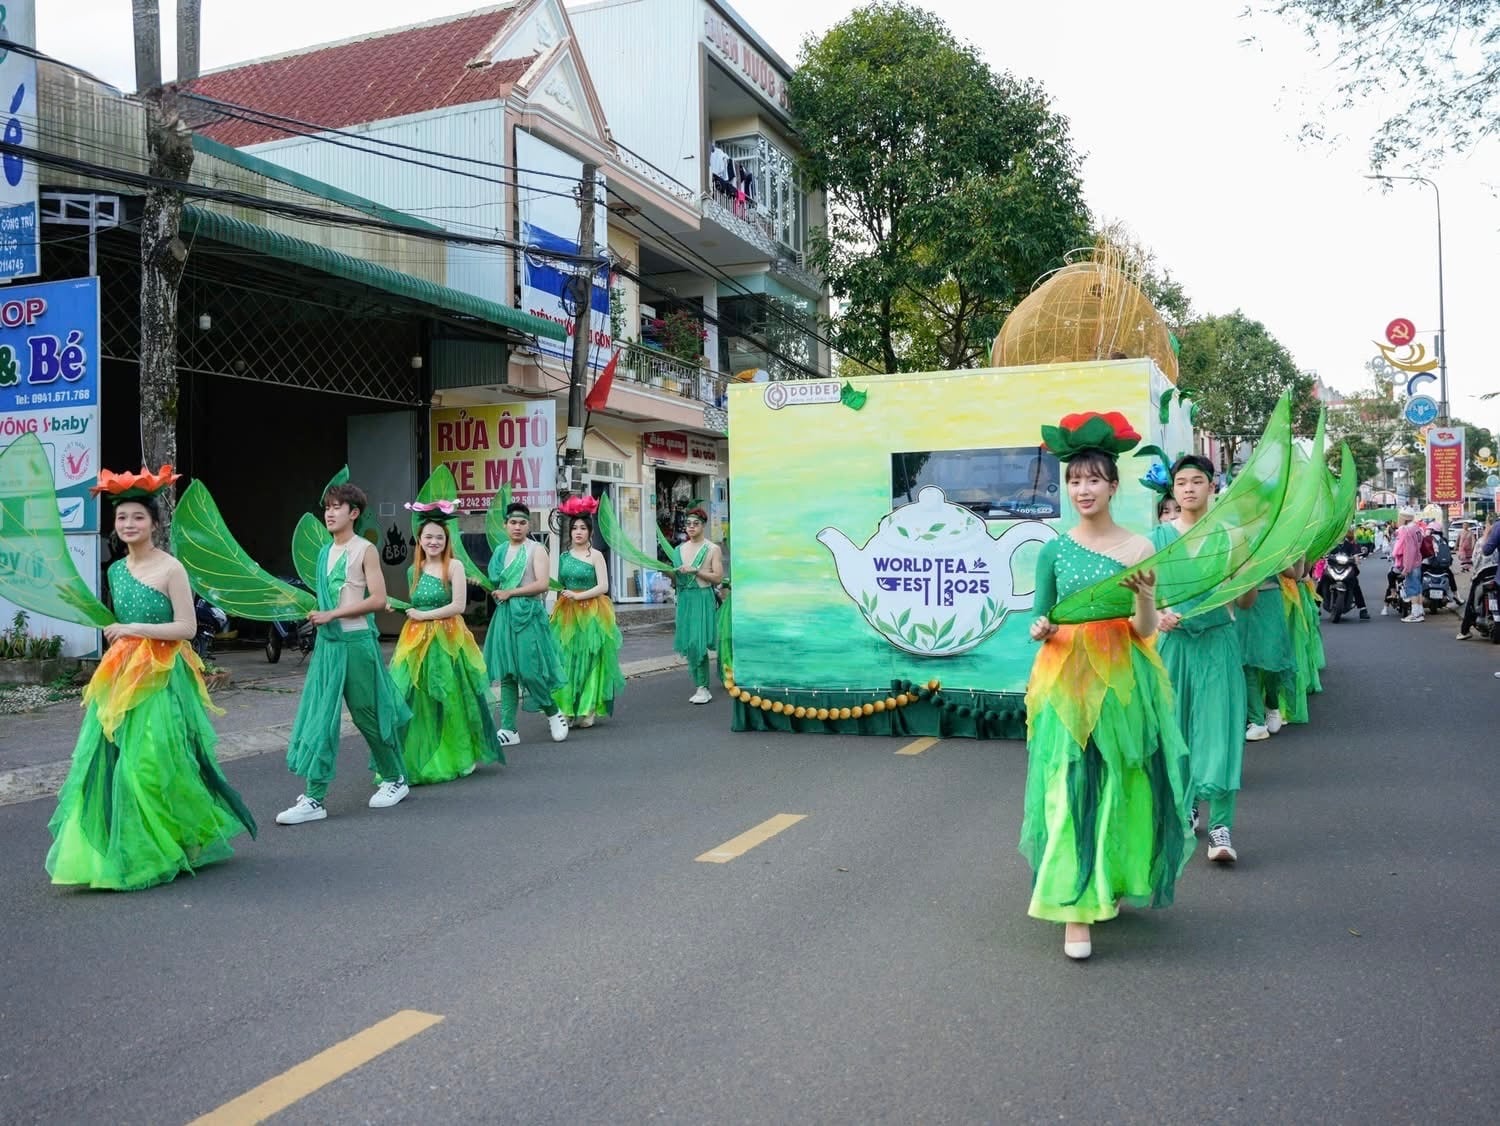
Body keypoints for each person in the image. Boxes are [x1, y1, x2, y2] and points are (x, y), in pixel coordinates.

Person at [1022, 411, 1191, 960]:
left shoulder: (1140, 547)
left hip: (1123, 681)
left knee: (1122, 780)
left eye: (1093, 479)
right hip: (1065, 677)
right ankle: (1075, 906)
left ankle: (1108, 876)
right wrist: (1041, 628)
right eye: (1074, 480)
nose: (1083, 489)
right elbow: (1041, 615)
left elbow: (1146, 631)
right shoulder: (1053, 549)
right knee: (1069, 786)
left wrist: (1145, 597)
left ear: (1114, 486)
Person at [47, 466, 257, 888]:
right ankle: (132, 848)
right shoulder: (114, 572)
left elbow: (187, 629)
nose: (128, 525)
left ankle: (174, 839)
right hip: (122, 675)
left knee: (153, 764)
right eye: (122, 518)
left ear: (155, 524)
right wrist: (123, 640)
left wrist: (132, 631)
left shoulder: (171, 569)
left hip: (163, 675)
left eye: (138, 518)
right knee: (108, 764)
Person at [278, 482, 412, 824]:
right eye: (327, 507)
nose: (330, 512)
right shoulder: (325, 552)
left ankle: (395, 777)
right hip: (329, 647)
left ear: (353, 513)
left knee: (368, 716)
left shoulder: (364, 549)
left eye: (337, 507)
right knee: (320, 717)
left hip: (356, 645)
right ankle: (314, 797)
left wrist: (332, 615)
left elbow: (378, 600)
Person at [1151, 454, 1253, 864]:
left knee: (1220, 732)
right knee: (1175, 731)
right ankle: (1186, 803)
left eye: (1197, 481)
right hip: (1172, 646)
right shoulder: (1156, 540)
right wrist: (1157, 614)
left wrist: (1246, 575)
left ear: (1213, 487)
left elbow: (1245, 601)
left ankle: (1221, 827)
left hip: (1217, 642)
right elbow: (1142, 596)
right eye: (1181, 482)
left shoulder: (1233, 538)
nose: (1189, 488)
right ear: (1173, 490)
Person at [387, 502, 504, 783]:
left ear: (447, 540)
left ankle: (459, 753)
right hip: (417, 642)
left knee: (453, 697)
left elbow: (458, 606)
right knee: (417, 698)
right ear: (419, 539)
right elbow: (415, 605)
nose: (434, 542)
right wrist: (399, 607)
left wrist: (424, 614)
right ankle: (418, 754)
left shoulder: (455, 566)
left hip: (449, 640)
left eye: (439, 537)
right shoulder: (412, 571)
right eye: (428, 537)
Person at [484, 501, 569, 744]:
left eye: (522, 523)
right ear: (505, 525)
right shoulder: (500, 551)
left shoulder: (536, 550)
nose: (517, 527)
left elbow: (542, 584)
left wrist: (510, 593)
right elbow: (496, 583)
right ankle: (509, 729)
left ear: (528, 524)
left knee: (530, 671)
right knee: (508, 673)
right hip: (505, 616)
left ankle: (553, 712)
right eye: (513, 523)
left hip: (529, 614)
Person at [551, 500, 625, 728]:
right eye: (574, 528)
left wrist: (578, 596)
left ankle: (588, 708)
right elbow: (559, 586)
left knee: (590, 660)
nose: (578, 532)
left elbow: (603, 586)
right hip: (567, 614)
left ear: (590, 532)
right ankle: (568, 708)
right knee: (566, 660)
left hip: (592, 613)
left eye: (583, 528)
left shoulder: (596, 556)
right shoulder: (563, 557)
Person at [1239, 564, 1297, 741]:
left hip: (1269, 599)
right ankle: (1256, 721)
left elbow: (1292, 573)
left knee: (1273, 656)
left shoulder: (1273, 538)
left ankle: (1272, 705)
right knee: (1246, 659)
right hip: (1240, 598)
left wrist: (1276, 556)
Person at [675, 507, 724, 704]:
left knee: (698, 643)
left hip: (702, 598)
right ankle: (699, 684)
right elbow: (676, 578)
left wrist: (696, 571)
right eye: (688, 524)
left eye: (696, 523)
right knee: (689, 644)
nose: (691, 527)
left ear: (703, 525)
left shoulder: (712, 548)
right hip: (685, 599)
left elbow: (718, 577)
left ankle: (703, 686)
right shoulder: (679, 549)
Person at [1456, 518, 1500, 641]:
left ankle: (1465, 631)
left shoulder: (1483, 541)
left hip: (1484, 574)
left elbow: (1477, 560)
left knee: (1471, 602)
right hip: (1496, 572)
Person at [1317, 527, 1369, 619]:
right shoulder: (1330, 544)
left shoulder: (1349, 544)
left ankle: (1363, 609)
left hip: (1347, 569)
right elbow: (1323, 553)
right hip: (1332, 568)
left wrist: (1356, 559)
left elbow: (1356, 554)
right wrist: (1321, 556)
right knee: (1322, 582)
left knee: (1355, 583)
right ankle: (1315, 607)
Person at [1391, 508, 1427, 622]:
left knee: (1412, 588)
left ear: (1404, 518)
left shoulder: (1407, 530)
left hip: (1411, 563)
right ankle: (1420, 611)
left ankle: (1415, 614)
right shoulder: (1417, 528)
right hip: (1418, 561)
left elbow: (1408, 551)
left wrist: (1406, 568)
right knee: (1418, 588)